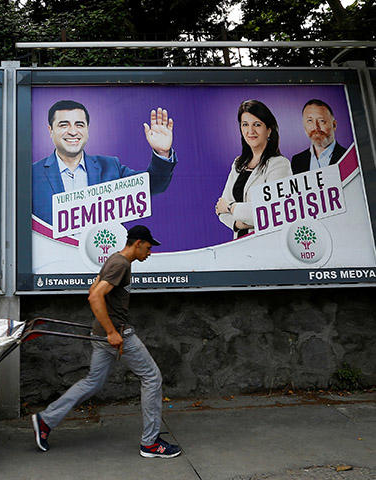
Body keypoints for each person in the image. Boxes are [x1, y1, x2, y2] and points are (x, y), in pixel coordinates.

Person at [31, 225, 182, 459]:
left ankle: (45, 419)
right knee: (152, 378)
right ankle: (150, 443)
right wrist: (112, 332)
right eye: (149, 248)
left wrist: (106, 330)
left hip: (100, 335)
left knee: (92, 381)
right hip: (118, 335)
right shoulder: (120, 263)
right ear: (138, 243)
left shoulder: (115, 259)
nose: (150, 253)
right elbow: (95, 296)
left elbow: (93, 287)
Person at [32, 100, 177, 225]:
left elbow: (152, 185)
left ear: (87, 129)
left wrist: (162, 153)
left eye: (79, 125)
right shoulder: (32, 174)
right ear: (50, 130)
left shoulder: (110, 167)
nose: (73, 131)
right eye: (64, 125)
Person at [215, 100, 292, 238]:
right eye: (245, 124)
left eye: (257, 124)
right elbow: (220, 210)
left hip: (267, 246)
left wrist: (230, 207)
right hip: (240, 244)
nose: (250, 131)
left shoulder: (280, 165)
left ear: (269, 130)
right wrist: (239, 224)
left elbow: (272, 212)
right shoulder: (238, 163)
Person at [291, 99, 346, 175]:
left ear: (334, 125)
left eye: (321, 121)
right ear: (304, 126)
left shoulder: (348, 157)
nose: (316, 127)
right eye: (310, 121)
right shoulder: (297, 161)